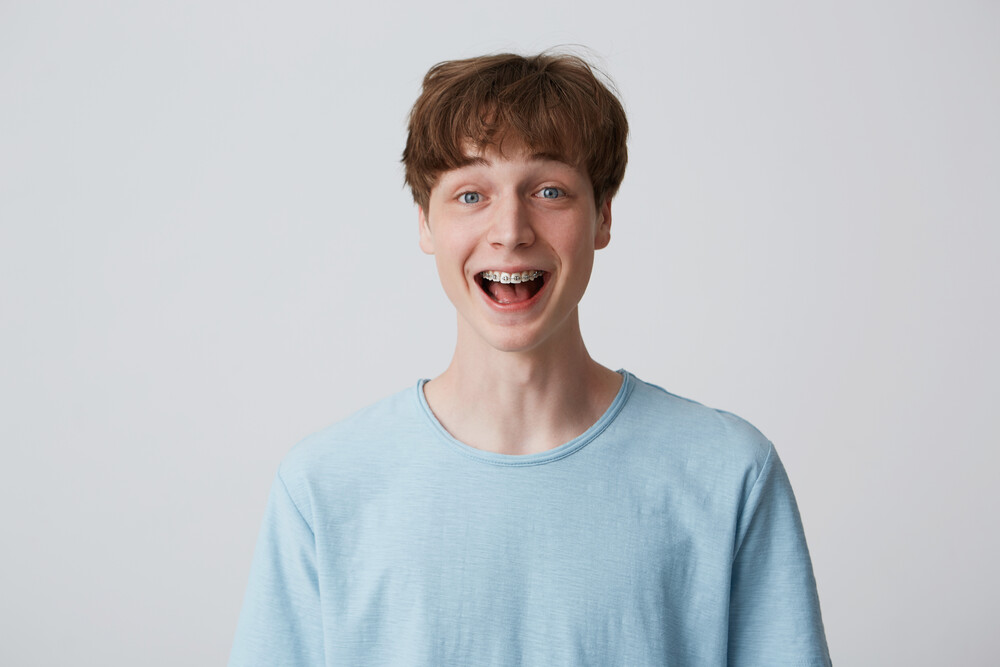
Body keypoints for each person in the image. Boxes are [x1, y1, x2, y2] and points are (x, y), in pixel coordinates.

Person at [229, 51, 832, 666]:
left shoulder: (727, 472)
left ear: (603, 215)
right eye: (470, 194)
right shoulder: (325, 487)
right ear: (425, 224)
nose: (511, 229)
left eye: (549, 191)